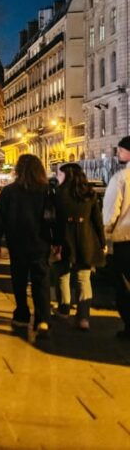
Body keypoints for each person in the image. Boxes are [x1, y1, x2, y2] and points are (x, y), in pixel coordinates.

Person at [0, 154, 53, 336]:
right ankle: (43, 319)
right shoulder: (46, 190)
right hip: (40, 242)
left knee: (19, 279)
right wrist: (57, 241)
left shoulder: (9, 192)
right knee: (41, 280)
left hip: (17, 242)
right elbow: (53, 218)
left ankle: (22, 313)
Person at [52, 163, 105, 331]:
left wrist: (54, 242)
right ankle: (83, 318)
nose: (58, 177)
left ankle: (64, 309)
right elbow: (97, 222)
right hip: (86, 239)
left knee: (63, 276)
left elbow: (55, 221)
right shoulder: (89, 193)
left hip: (64, 239)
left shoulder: (58, 194)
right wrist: (102, 243)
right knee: (83, 278)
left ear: (67, 175)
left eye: (60, 174)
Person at [103, 136, 130, 340]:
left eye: (121, 150)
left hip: (125, 239)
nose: (118, 153)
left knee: (123, 285)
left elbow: (111, 212)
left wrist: (106, 234)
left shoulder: (121, 178)